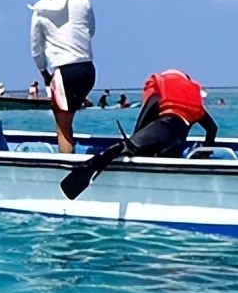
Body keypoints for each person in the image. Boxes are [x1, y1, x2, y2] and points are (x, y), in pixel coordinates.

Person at [60, 68, 217, 199]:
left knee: (122, 148)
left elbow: (143, 121)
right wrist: (205, 152)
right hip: (177, 143)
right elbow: (212, 128)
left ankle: (80, 177)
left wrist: (135, 139)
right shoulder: (195, 104)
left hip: (162, 131)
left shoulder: (158, 94)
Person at [29, 0, 96, 153]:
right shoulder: (82, 1)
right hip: (88, 69)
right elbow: (91, 29)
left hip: (65, 73)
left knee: (63, 129)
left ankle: (68, 165)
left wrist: (45, 74)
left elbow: (36, 49)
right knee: (69, 117)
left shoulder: (40, 11)